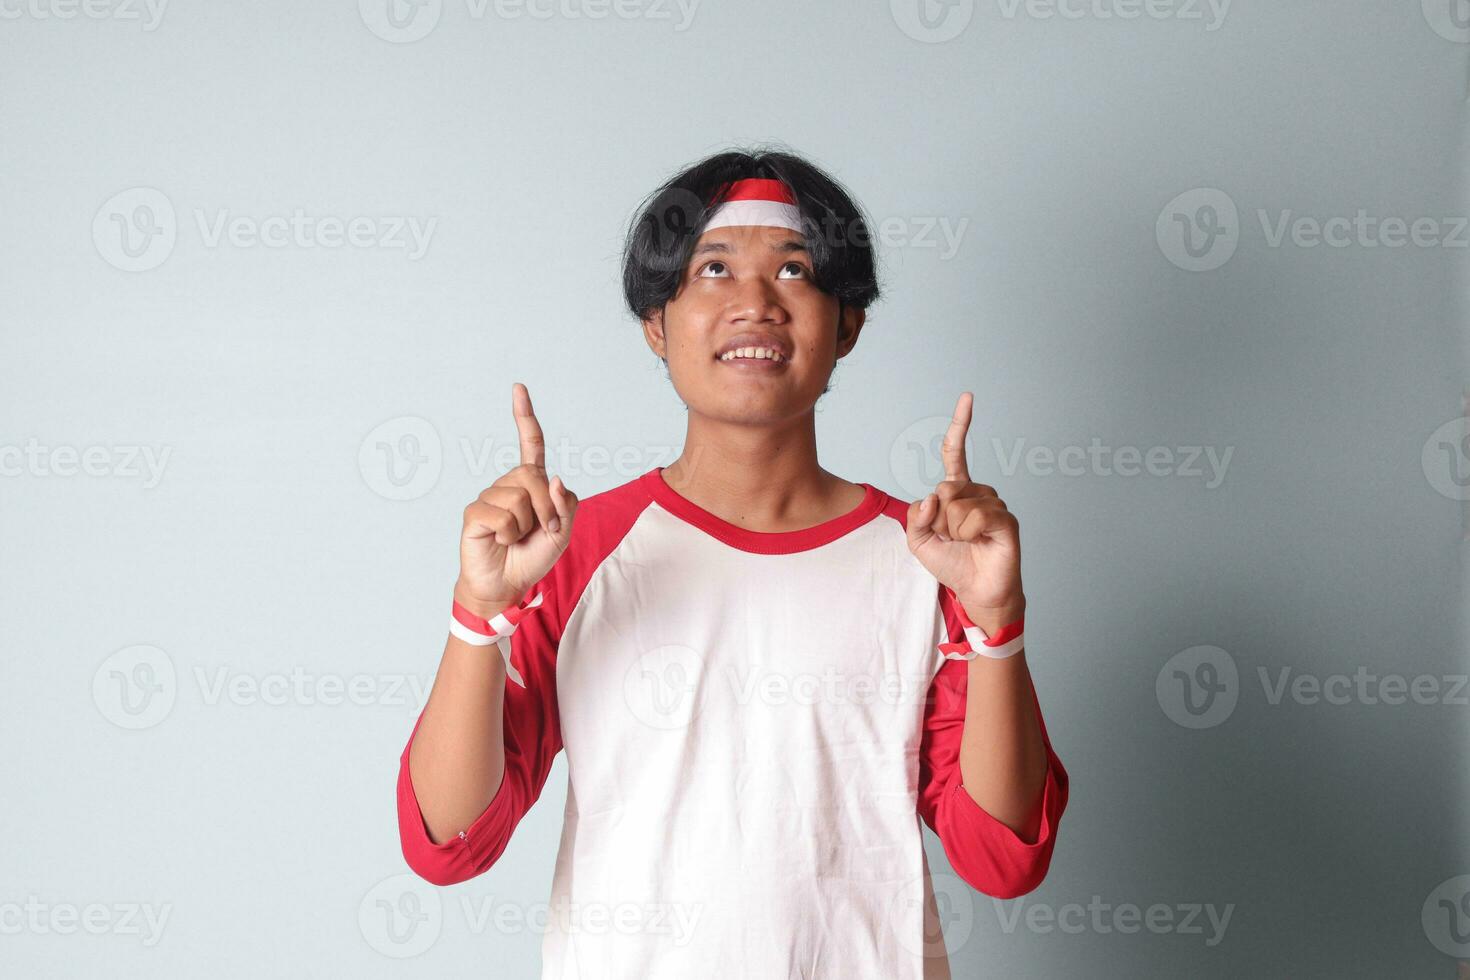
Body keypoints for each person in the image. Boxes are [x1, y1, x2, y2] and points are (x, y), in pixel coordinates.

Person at [395, 148, 1069, 979]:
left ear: (847, 324)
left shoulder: (932, 558)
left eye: (794, 270)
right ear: (657, 323)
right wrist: (477, 613)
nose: (755, 303)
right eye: (714, 269)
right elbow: (449, 842)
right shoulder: (572, 551)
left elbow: (1001, 859)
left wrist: (997, 624)